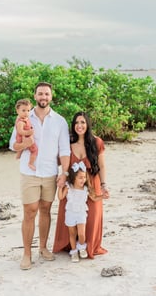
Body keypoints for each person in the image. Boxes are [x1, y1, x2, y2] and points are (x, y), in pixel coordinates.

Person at [9, 82, 70, 270]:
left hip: (50, 172)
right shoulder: (24, 118)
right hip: (30, 173)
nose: (43, 97)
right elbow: (12, 145)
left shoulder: (60, 121)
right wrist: (24, 144)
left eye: (47, 94)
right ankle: (27, 254)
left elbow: (65, 151)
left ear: (51, 97)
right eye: (40, 94)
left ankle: (43, 248)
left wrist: (64, 173)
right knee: (30, 212)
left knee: (45, 210)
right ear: (35, 96)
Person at [53, 111, 109, 259]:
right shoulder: (68, 143)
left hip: (92, 184)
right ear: (73, 125)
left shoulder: (97, 142)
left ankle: (88, 246)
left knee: (92, 216)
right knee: (70, 214)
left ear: (88, 124)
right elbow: (58, 161)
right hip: (72, 186)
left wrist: (104, 185)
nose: (79, 125)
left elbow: (102, 166)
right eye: (77, 123)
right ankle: (70, 245)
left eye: (83, 122)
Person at [58, 161, 89, 263]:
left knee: (81, 234)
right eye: (80, 177)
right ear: (74, 177)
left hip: (81, 212)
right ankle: (74, 251)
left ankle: (81, 247)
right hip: (70, 213)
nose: (83, 180)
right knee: (72, 233)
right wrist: (60, 187)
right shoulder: (69, 187)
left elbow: (94, 196)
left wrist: (102, 195)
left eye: (84, 177)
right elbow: (60, 197)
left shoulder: (85, 189)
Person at [15, 98, 38, 170]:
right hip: (24, 138)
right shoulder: (21, 122)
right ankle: (30, 163)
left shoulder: (24, 119)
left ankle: (18, 155)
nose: (26, 113)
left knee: (21, 148)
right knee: (35, 150)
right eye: (23, 110)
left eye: (28, 110)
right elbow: (20, 131)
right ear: (17, 111)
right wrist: (29, 132)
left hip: (23, 138)